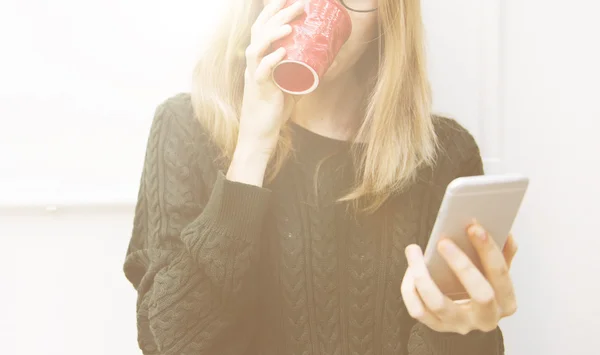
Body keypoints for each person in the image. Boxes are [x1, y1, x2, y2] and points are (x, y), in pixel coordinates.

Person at [122, 0, 519, 354]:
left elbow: (464, 338)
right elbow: (171, 343)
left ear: (390, 11)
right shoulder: (187, 128)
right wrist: (253, 145)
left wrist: (462, 330)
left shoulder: (443, 155)